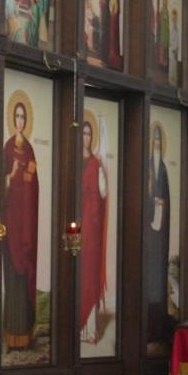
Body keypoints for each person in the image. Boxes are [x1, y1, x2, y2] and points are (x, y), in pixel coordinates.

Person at [1, 99, 39, 351]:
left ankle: (25, 333)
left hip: (25, 224)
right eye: (17, 117)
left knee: (24, 277)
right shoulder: (7, 148)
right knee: (12, 278)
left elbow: (34, 187)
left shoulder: (30, 150)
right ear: (12, 120)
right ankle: (10, 333)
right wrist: (12, 174)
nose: (20, 121)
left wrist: (26, 179)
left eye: (23, 117)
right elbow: (1, 184)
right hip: (10, 222)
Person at [79, 119, 109, 344]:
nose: (86, 138)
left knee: (89, 274)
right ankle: (77, 330)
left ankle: (90, 330)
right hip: (76, 226)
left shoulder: (95, 163)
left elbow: (103, 192)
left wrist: (102, 170)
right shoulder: (74, 161)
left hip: (91, 225)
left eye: (89, 134)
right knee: (78, 275)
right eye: (83, 133)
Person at [145, 123, 171, 347]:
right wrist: (151, 202)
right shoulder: (146, 167)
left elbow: (167, 200)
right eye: (154, 139)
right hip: (146, 234)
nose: (156, 143)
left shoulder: (162, 168)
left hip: (159, 235)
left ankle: (158, 328)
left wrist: (162, 205)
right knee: (147, 279)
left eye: (159, 140)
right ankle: (145, 328)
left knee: (157, 281)